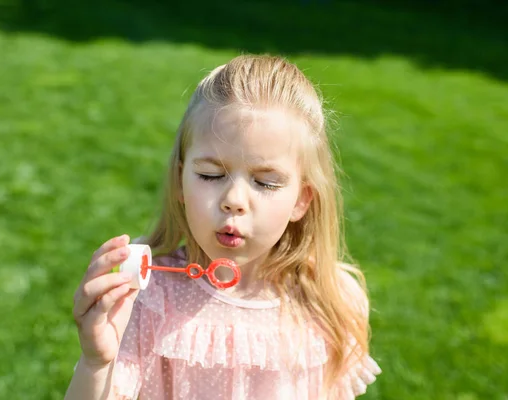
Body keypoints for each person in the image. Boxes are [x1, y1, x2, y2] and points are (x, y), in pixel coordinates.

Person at [64, 54, 381, 400]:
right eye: (210, 175)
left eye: (265, 182)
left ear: (301, 201)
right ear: (179, 182)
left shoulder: (331, 300)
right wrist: (96, 364)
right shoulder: (149, 297)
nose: (234, 200)